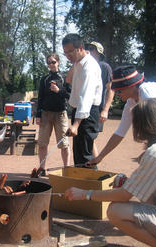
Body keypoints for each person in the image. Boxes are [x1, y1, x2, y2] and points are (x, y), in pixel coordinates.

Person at [65, 98, 156, 247]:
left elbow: (124, 195)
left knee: (116, 211)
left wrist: (85, 194)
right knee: (144, 196)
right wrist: (130, 183)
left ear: (143, 125)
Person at [87, 65, 156, 167]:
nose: (117, 94)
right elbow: (120, 133)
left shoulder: (147, 94)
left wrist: (149, 152)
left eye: (120, 90)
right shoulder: (131, 102)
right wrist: (100, 156)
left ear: (132, 86)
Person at [62, 33, 102, 167]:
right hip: (78, 113)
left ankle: (92, 186)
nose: (68, 56)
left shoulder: (89, 67)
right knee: (78, 154)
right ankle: (81, 184)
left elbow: (86, 97)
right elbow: (68, 80)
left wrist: (76, 125)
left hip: (88, 114)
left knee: (85, 155)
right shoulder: (78, 63)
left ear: (80, 48)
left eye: (70, 52)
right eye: (65, 53)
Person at [35, 53, 71, 176]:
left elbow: (70, 96)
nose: (51, 64)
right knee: (42, 144)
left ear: (58, 62)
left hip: (60, 114)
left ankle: (67, 169)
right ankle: (42, 168)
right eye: (49, 62)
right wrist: (38, 115)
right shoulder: (44, 79)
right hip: (45, 114)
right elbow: (40, 98)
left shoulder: (64, 78)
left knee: (64, 144)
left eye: (53, 62)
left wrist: (59, 91)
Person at [86, 41, 114, 157]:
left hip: (97, 109)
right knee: (87, 138)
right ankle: (90, 165)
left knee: (90, 137)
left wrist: (105, 110)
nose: (88, 50)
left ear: (99, 53)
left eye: (92, 49)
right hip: (86, 108)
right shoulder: (85, 66)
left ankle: (94, 166)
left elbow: (110, 89)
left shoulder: (104, 67)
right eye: (88, 48)